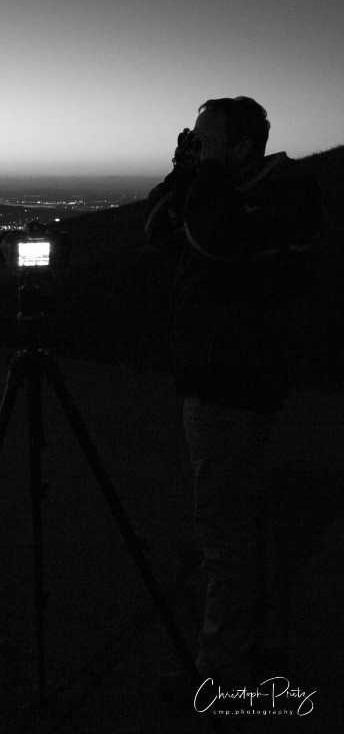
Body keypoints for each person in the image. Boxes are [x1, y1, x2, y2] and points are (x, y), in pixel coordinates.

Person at [145, 97, 323, 696]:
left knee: (223, 531)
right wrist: (183, 175)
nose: (198, 146)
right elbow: (161, 232)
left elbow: (218, 242)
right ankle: (257, 646)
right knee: (237, 523)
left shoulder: (285, 193)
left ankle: (220, 675)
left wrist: (208, 181)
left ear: (243, 146)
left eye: (206, 138)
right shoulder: (225, 189)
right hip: (216, 380)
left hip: (235, 385)